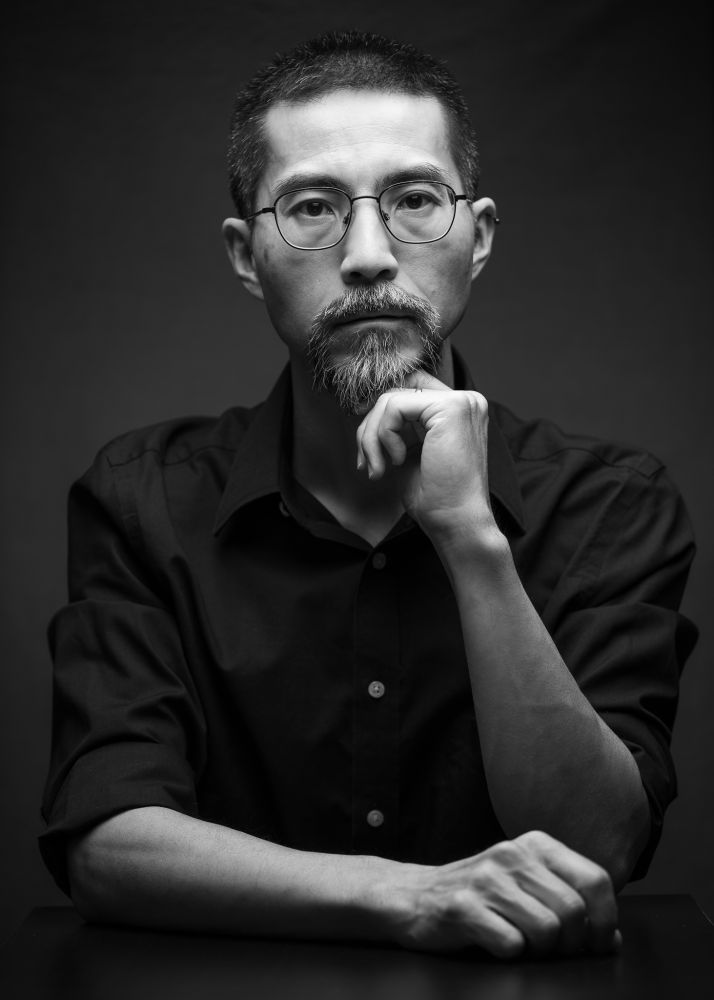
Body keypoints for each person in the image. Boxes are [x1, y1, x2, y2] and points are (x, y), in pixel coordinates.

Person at [40, 31, 697, 959]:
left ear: (480, 238)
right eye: (311, 207)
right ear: (244, 254)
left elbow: (600, 848)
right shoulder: (139, 497)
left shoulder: (612, 506)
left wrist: (472, 539)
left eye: (416, 200)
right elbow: (106, 844)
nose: (367, 256)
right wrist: (414, 897)